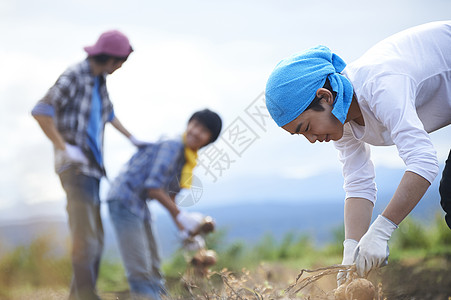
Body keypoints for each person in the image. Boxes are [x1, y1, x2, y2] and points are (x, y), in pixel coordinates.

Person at [264, 21, 451, 284]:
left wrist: (382, 230)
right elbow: (358, 183)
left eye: (306, 127)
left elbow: (423, 160)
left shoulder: (381, 84)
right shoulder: (342, 118)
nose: (310, 139)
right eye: (300, 135)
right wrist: (350, 251)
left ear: (325, 97)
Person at [31, 30, 146, 300]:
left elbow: (109, 113)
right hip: (75, 168)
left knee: (96, 237)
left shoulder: (99, 81)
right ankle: (84, 295)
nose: (119, 67)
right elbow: (41, 110)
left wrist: (133, 138)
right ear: (107, 57)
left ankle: (83, 294)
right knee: (86, 237)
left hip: (93, 169)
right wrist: (64, 147)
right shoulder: (75, 75)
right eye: (119, 62)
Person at [106, 109, 222, 300]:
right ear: (189, 124)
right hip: (124, 199)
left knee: (154, 267)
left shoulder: (187, 158)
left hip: (139, 204)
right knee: (140, 269)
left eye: (203, 130)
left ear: (209, 140)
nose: (196, 132)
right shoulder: (173, 145)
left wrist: (184, 230)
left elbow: (171, 195)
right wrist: (181, 216)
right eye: (195, 125)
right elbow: (153, 188)